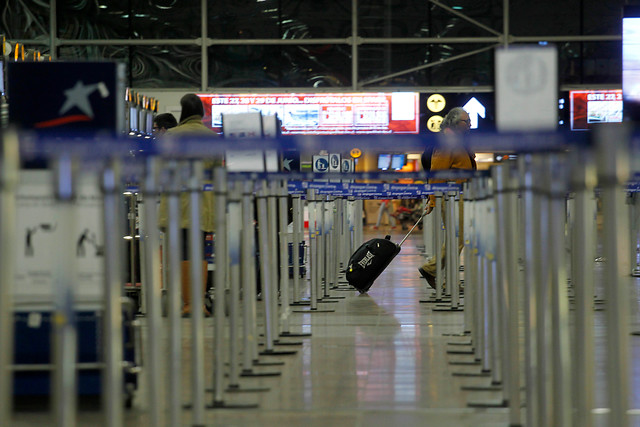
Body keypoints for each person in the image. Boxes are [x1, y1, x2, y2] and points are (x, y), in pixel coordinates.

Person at [158, 94, 219, 316]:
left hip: (176, 201)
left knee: (181, 251)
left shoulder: (171, 135)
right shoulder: (212, 138)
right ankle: (199, 303)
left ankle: (187, 304)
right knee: (199, 251)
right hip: (202, 203)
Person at [418, 107, 476, 289]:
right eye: (466, 121)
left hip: (460, 195)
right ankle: (431, 269)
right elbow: (437, 172)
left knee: (457, 238)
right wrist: (433, 200)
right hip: (451, 196)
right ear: (454, 122)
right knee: (457, 238)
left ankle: (450, 281)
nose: (469, 124)